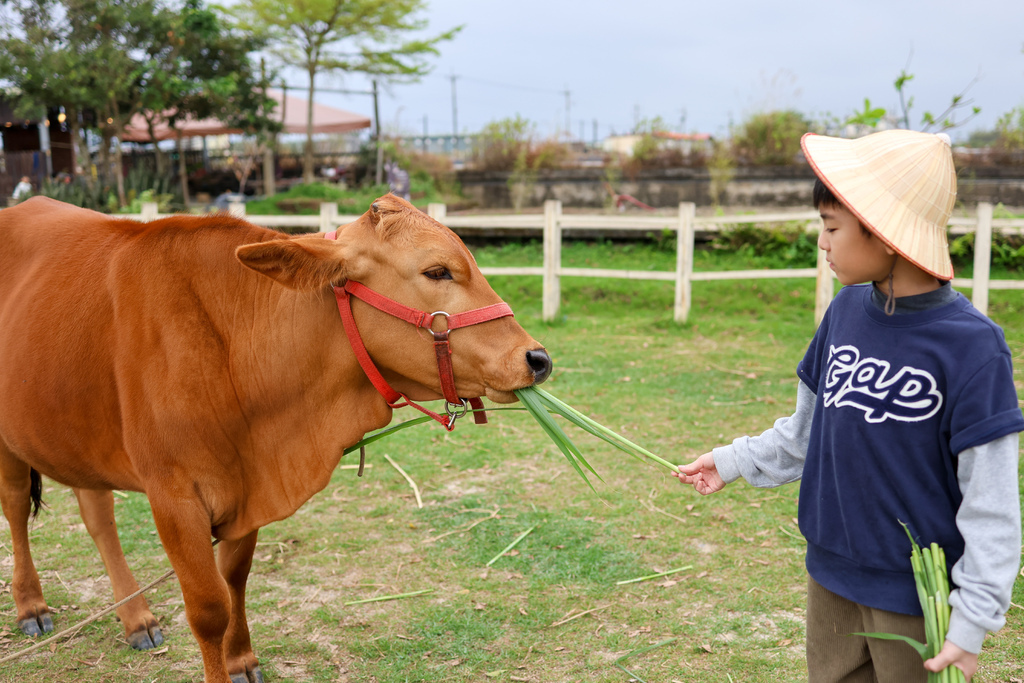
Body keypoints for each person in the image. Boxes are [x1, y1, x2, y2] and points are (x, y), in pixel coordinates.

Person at [674, 129, 1023, 682]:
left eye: (831, 226)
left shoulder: (973, 347)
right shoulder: (844, 314)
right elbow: (806, 433)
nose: (823, 242)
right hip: (830, 575)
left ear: (884, 233)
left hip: (916, 595)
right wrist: (733, 460)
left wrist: (973, 619)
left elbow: (993, 500)